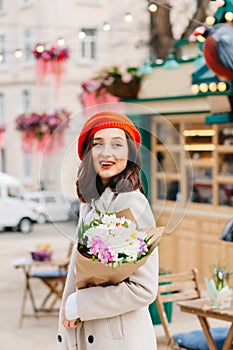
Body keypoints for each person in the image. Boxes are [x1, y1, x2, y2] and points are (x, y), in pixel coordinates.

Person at [58, 111, 159, 349]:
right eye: (98, 144)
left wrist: (79, 305)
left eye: (117, 144)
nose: (107, 153)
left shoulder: (133, 204)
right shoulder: (90, 204)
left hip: (121, 340)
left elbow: (144, 289)